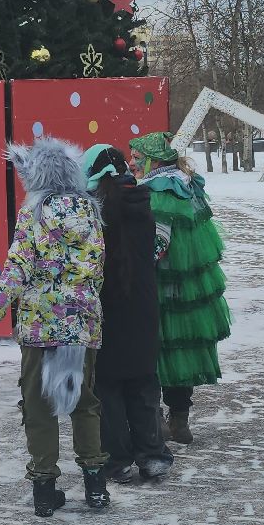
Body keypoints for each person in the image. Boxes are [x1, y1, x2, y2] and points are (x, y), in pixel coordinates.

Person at [0, 140, 110, 516]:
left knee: (38, 404)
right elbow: (98, 265)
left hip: (40, 323)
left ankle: (44, 488)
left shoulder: (34, 213)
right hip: (82, 320)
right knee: (83, 401)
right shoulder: (90, 210)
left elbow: (18, 269)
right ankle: (95, 484)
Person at [131, 133, 232, 445]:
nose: (133, 162)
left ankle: (158, 422)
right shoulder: (188, 183)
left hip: (163, 284)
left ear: (154, 160)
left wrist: (132, 266)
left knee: (157, 349)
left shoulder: (159, 189)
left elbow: (157, 243)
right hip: (190, 286)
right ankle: (180, 420)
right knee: (183, 346)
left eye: (137, 156)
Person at [85, 144, 171, 485]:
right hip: (142, 305)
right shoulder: (143, 202)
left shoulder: (89, 212)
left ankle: (116, 459)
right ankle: (152, 455)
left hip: (104, 307)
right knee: (144, 382)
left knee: (107, 388)